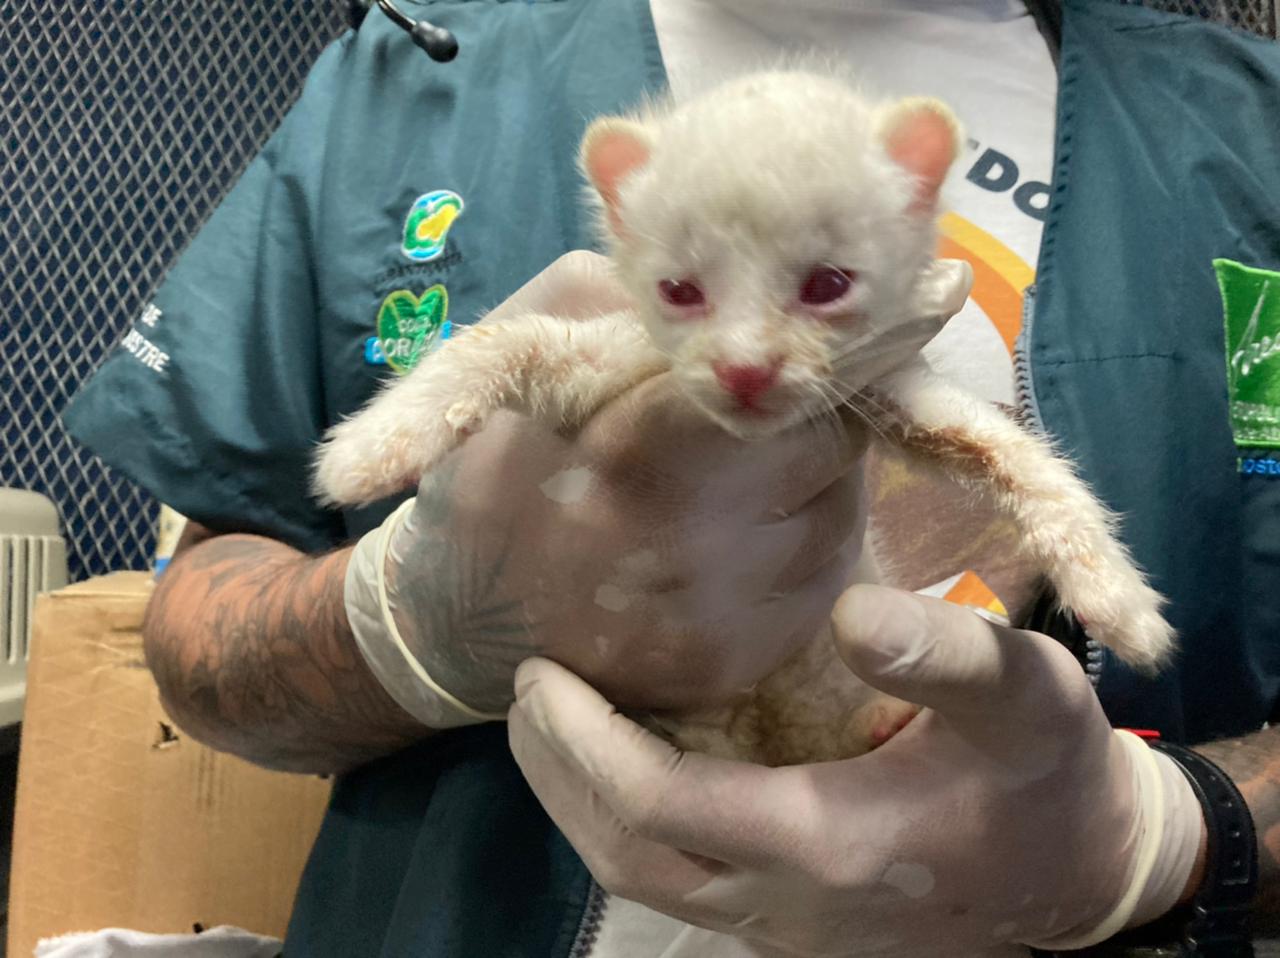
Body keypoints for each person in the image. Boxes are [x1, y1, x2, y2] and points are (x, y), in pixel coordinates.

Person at [61, 0, 1280, 954]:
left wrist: (1158, 838)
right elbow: (193, 628)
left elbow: (998, 467)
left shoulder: (1243, 134)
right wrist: (403, 620)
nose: (748, 358)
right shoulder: (405, 82)